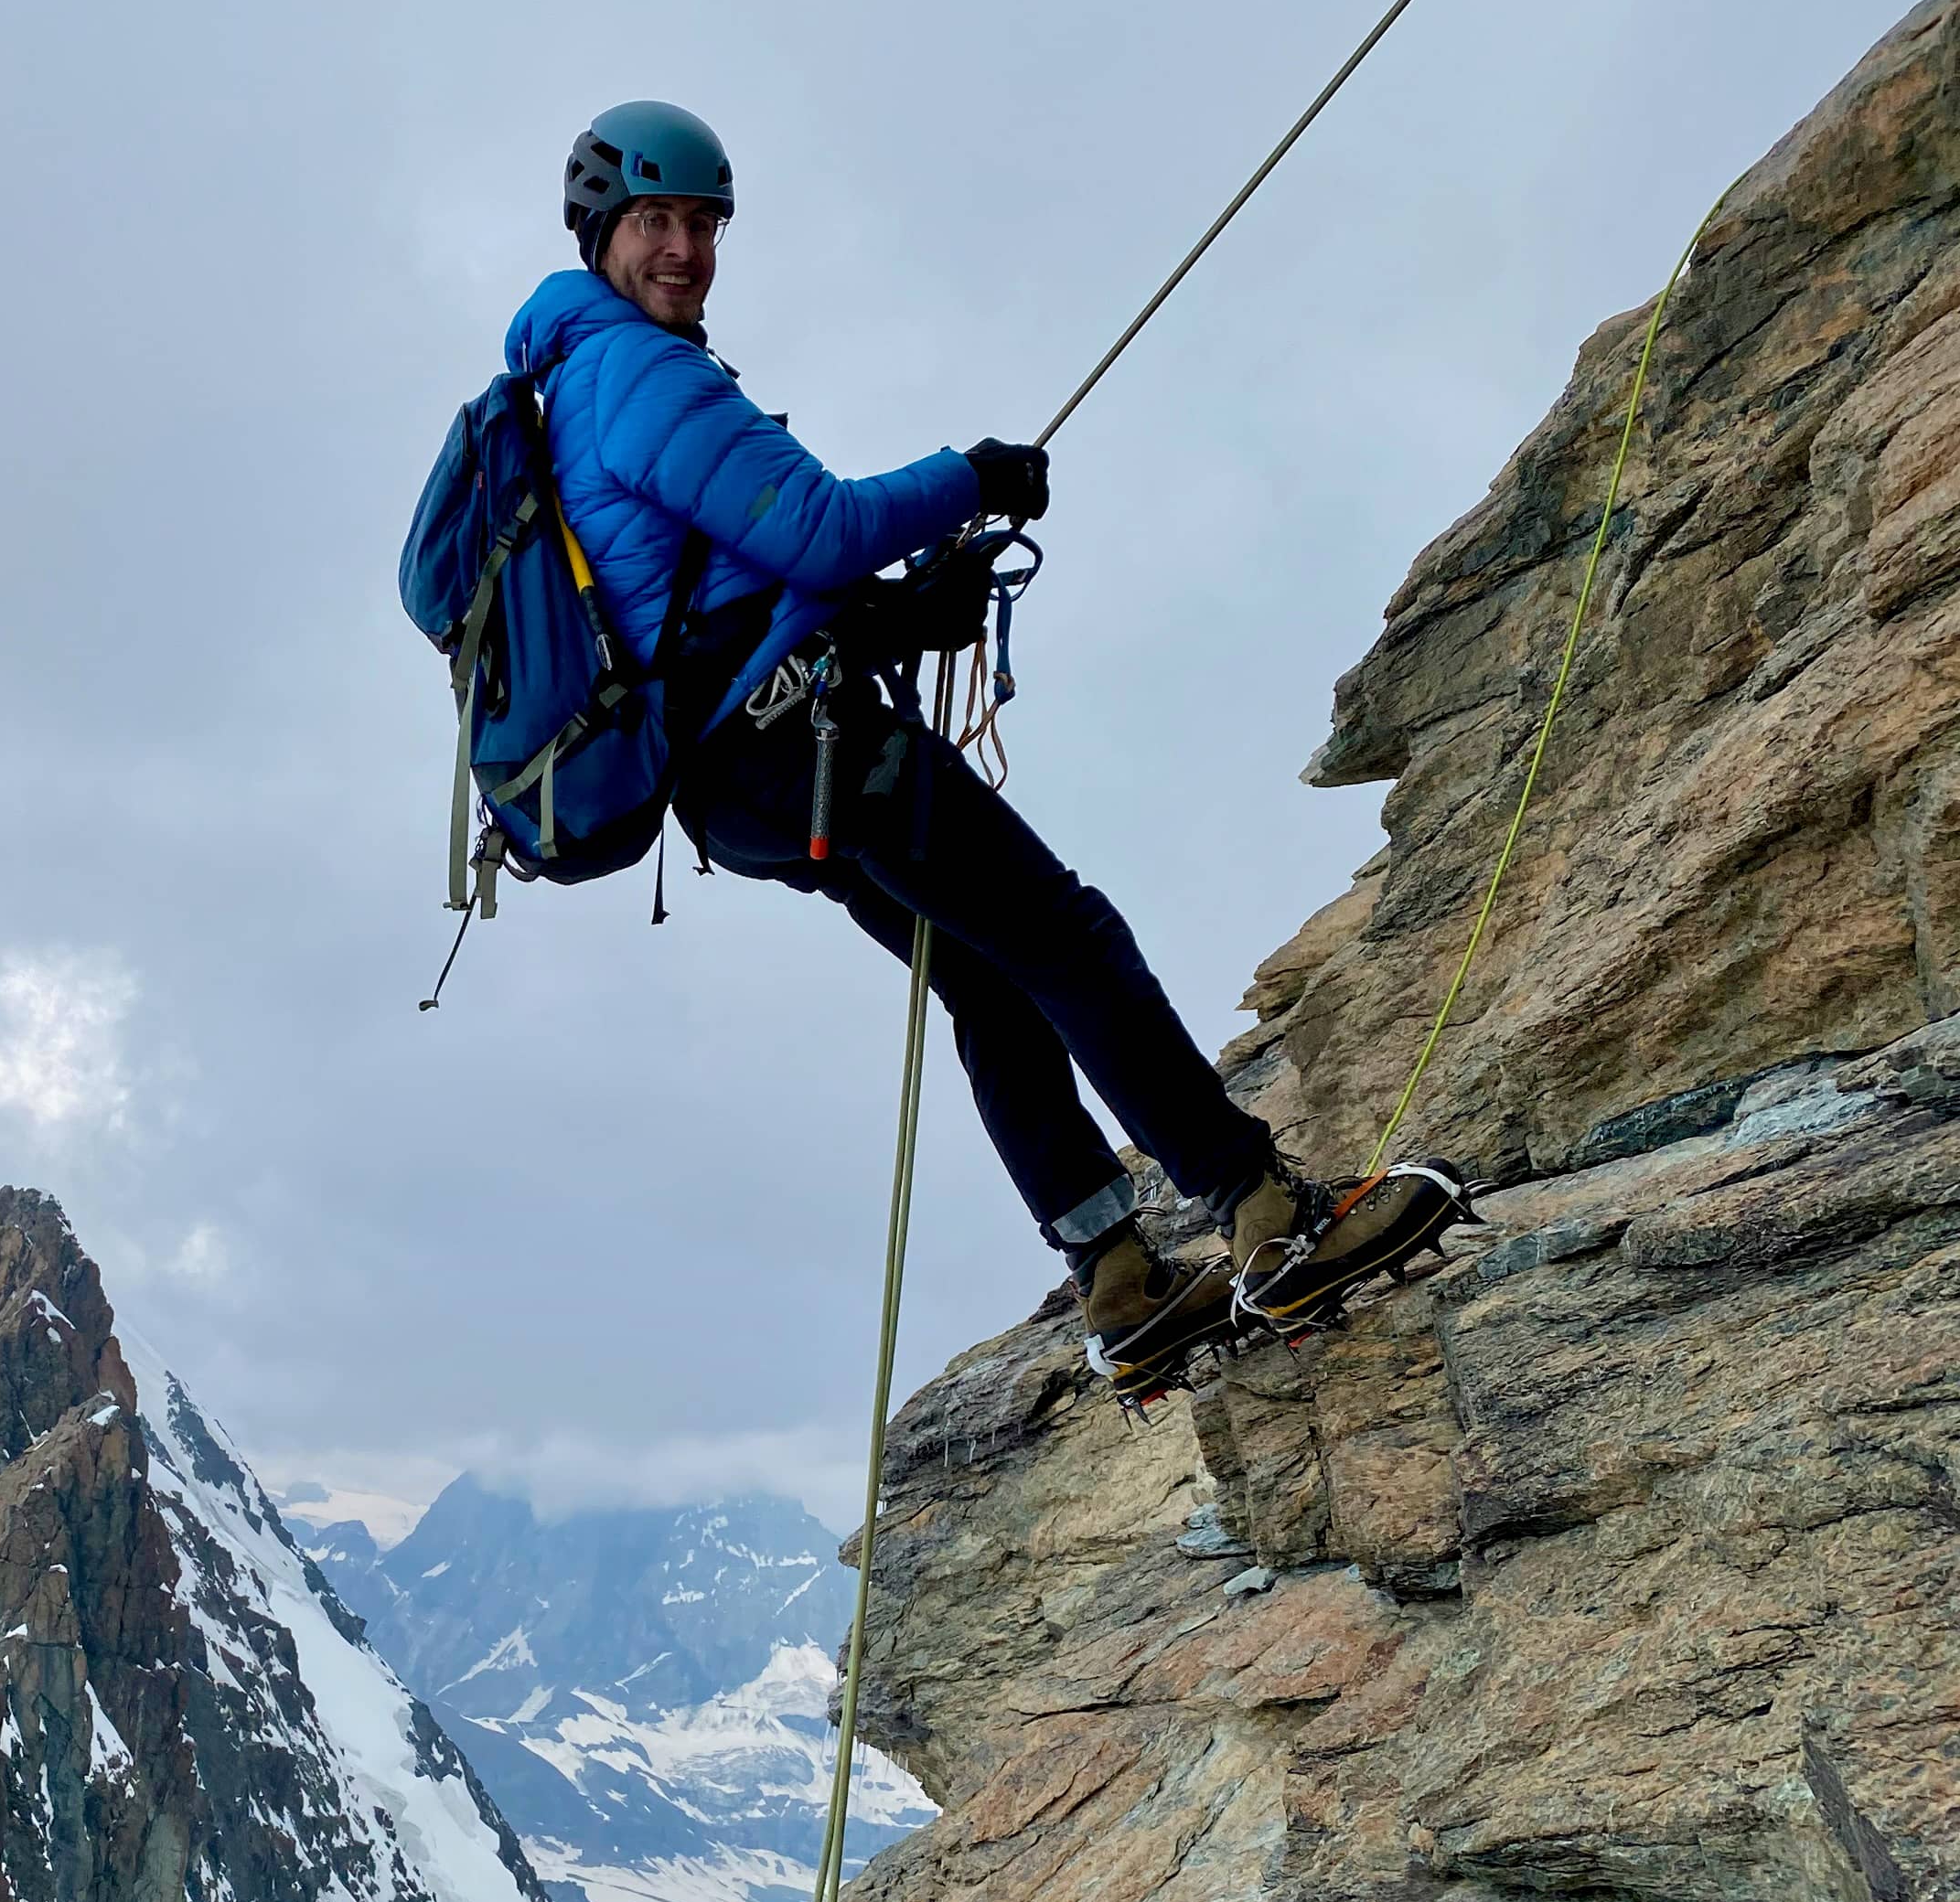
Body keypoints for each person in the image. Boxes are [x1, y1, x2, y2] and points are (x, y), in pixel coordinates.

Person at [508, 100, 1457, 1388]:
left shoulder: (574, 384)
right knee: (1063, 937)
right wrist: (974, 475)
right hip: (815, 746)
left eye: (703, 223)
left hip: (741, 781)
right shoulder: (641, 373)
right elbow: (822, 529)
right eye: (656, 223)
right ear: (601, 234)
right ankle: (1264, 1210)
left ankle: (1117, 1277)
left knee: (988, 977)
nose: (684, 249)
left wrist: (900, 610)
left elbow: (714, 591)